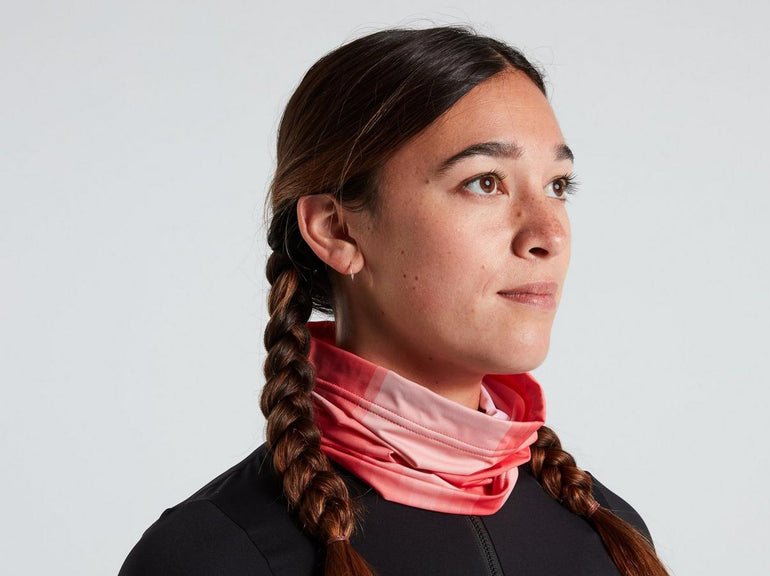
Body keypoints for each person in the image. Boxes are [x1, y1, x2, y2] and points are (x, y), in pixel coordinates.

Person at [119, 26, 670, 576]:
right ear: (337, 230)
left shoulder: (610, 532)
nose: (548, 235)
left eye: (558, 186)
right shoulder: (209, 556)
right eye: (484, 182)